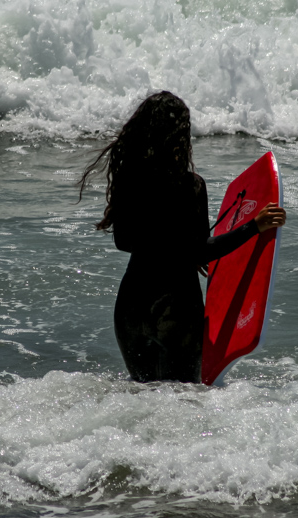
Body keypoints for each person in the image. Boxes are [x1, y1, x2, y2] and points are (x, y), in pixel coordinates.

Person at [78, 91, 286, 383]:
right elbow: (200, 253)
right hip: (174, 310)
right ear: (179, 136)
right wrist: (255, 226)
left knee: (140, 403)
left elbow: (123, 242)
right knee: (183, 406)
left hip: (131, 310)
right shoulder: (190, 187)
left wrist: (179, 249)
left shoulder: (130, 182)